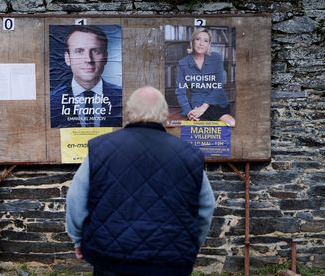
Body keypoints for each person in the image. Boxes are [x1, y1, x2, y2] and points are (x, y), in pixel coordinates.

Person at [66, 86, 216, 276]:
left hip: (111, 258)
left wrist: (78, 241)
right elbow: (206, 207)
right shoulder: (189, 154)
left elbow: (76, 199)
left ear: (128, 112)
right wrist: (193, 243)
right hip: (171, 261)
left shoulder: (100, 148)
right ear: (164, 114)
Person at [50, 25, 122, 128]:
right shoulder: (52, 101)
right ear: (67, 58)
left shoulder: (123, 97)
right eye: (79, 51)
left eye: (96, 51)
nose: (88, 59)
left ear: (105, 57)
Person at [175, 27, 235, 127]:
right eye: (198, 39)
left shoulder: (217, 58)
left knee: (231, 123)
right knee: (199, 131)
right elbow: (180, 92)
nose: (201, 43)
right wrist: (189, 112)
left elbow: (218, 86)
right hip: (197, 104)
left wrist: (203, 107)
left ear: (209, 44)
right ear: (192, 41)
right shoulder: (183, 63)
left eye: (205, 40)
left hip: (216, 102)